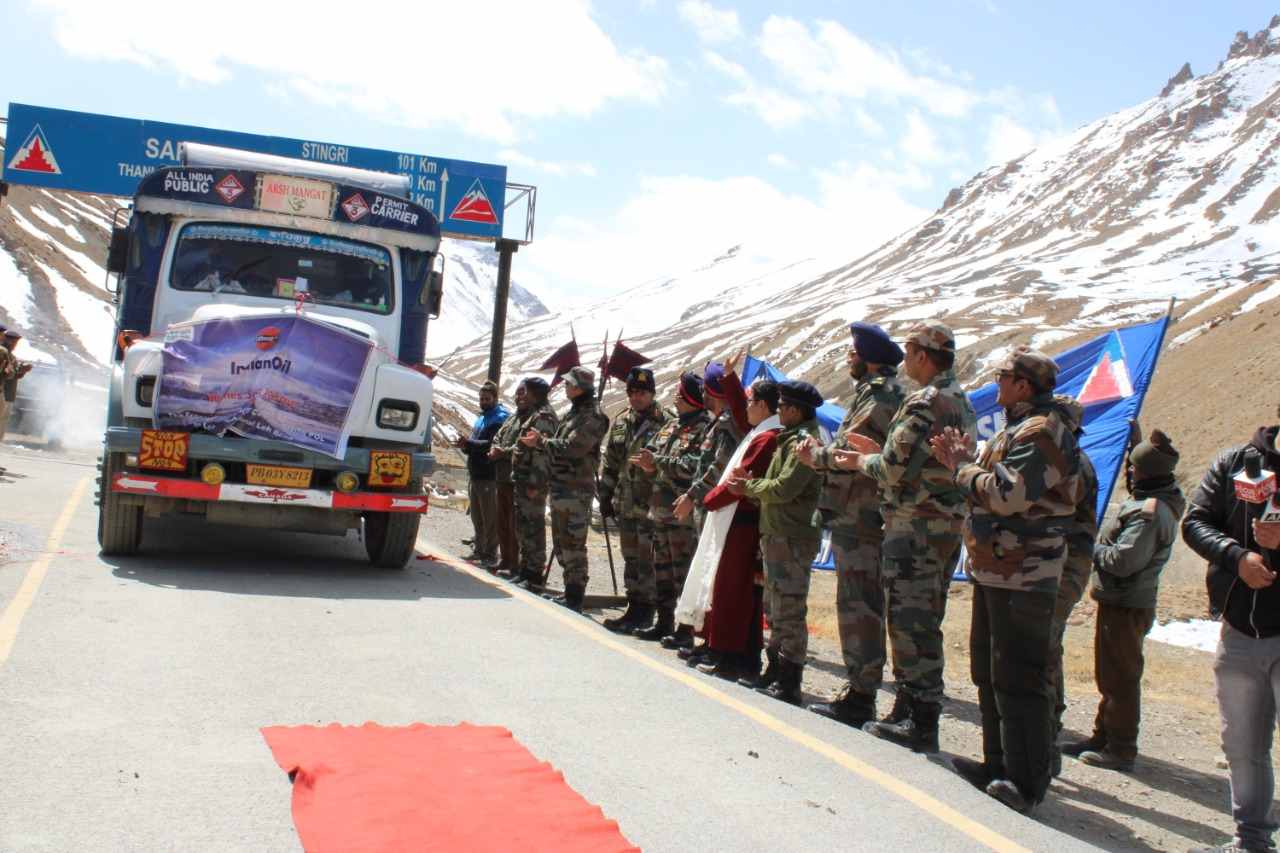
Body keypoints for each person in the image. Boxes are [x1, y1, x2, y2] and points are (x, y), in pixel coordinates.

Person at [932, 346, 1081, 815]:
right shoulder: (1020, 427)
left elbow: (1008, 494)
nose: (996, 384)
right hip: (999, 568)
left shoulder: (1042, 431)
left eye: (1002, 377)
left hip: (1026, 572)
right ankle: (997, 765)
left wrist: (961, 468)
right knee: (991, 671)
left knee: (1020, 676)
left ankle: (1026, 781)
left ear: (1022, 385)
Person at [832, 321, 977, 752]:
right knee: (921, 617)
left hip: (917, 526)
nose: (907, 359)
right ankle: (908, 709)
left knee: (912, 621)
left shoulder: (926, 401)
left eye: (911, 351)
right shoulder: (959, 399)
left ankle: (920, 719)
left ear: (920, 354)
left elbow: (891, 467)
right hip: (940, 525)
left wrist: (862, 461)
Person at [800, 321, 906, 728]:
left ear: (867, 358)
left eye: (852, 353)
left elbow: (850, 450)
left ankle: (862, 694)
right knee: (859, 602)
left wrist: (817, 456)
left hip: (861, 515)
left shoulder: (881, 396)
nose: (847, 359)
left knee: (859, 605)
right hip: (855, 512)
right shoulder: (874, 393)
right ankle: (860, 687)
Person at [1181, 423, 1280, 853]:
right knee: (1242, 743)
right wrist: (1236, 557)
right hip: (1240, 631)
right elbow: (1195, 522)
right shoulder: (1233, 463)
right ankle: (1250, 839)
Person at [1062, 429, 1182, 772]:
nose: (1129, 471)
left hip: (1128, 603)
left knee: (1121, 676)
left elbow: (1124, 561)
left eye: (1134, 467)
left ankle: (1121, 747)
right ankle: (1103, 736)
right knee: (1111, 672)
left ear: (1146, 472)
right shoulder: (1156, 497)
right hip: (1121, 600)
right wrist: (1136, 440)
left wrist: (1088, 545)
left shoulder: (1149, 514)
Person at [729, 380, 824, 705]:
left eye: (783, 407)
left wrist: (749, 487)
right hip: (779, 533)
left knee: (789, 608)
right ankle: (776, 668)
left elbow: (784, 488)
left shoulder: (804, 442)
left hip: (793, 536)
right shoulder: (789, 439)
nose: (778, 411)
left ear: (796, 410)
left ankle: (790, 677)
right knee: (776, 605)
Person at [681, 367, 779, 680]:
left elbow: (740, 480)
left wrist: (709, 499)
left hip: (744, 523)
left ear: (763, 407)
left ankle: (732, 654)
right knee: (726, 587)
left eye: (751, 403)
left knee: (732, 590)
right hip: (736, 522)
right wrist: (730, 378)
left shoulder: (767, 438)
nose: (745, 408)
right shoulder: (759, 430)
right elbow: (740, 409)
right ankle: (726, 650)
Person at [630, 372, 713, 641]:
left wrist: (659, 462)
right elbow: (652, 454)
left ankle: (685, 628)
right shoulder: (671, 426)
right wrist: (648, 463)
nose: (675, 399)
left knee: (682, 571)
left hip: (681, 515)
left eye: (680, 394)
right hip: (659, 511)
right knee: (661, 570)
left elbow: (694, 467)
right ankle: (663, 622)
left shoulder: (704, 428)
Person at [521, 366, 609, 612]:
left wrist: (542, 442)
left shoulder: (593, 416)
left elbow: (574, 448)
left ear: (580, 387)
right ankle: (569, 591)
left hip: (576, 489)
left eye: (570, 384)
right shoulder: (574, 413)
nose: (566, 387)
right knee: (561, 542)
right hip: (561, 485)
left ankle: (575, 596)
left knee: (573, 543)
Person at [1047, 396, 1098, 775]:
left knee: (1045, 645)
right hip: (1057, 563)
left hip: (1065, 566)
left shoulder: (1074, 464)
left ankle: (1048, 728)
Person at [599, 367, 669, 633]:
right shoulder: (621, 421)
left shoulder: (666, 422)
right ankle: (633, 607)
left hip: (650, 505)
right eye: (632, 392)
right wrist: (605, 495)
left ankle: (646, 612)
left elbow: (669, 466)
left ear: (652, 393)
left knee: (647, 559)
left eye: (642, 392)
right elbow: (612, 464)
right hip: (626, 503)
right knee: (630, 557)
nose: (636, 397)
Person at [492, 377, 557, 590]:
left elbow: (541, 454)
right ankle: (525, 570)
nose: (522, 395)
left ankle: (534, 573)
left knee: (533, 528)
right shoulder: (533, 415)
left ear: (534, 393)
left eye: (525, 391)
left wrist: (535, 483)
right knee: (524, 527)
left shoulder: (544, 417)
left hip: (532, 481)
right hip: (521, 479)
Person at [456, 382, 509, 566]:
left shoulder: (499, 419)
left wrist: (469, 444)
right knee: (477, 517)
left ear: (495, 398)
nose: (483, 402)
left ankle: (490, 554)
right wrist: (466, 446)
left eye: (487, 399)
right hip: (476, 474)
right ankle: (479, 550)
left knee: (490, 519)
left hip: (489, 474)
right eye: (481, 399)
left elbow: (489, 445)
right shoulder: (482, 419)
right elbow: (475, 446)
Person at [489, 383, 529, 577]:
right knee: (502, 521)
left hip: (517, 480)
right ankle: (504, 560)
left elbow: (522, 446)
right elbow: (498, 436)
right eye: (518, 393)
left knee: (515, 525)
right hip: (502, 477)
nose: (520, 397)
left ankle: (515, 564)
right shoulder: (512, 418)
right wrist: (495, 447)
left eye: (523, 393)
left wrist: (502, 452)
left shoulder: (533, 419)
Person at [0, 327, 32, 442]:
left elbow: (12, 374)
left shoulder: (11, 356)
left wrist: (22, 371)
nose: (14, 344)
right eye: (13, 341)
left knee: (2, 421)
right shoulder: (2, 352)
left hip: (7, 394)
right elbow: (6, 374)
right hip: (3, 392)